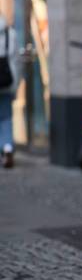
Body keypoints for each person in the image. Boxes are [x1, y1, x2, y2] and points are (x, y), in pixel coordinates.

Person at [0, 14, 19, 168]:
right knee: (6, 118)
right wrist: (16, 86)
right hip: (7, 82)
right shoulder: (10, 34)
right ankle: (7, 148)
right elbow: (16, 61)